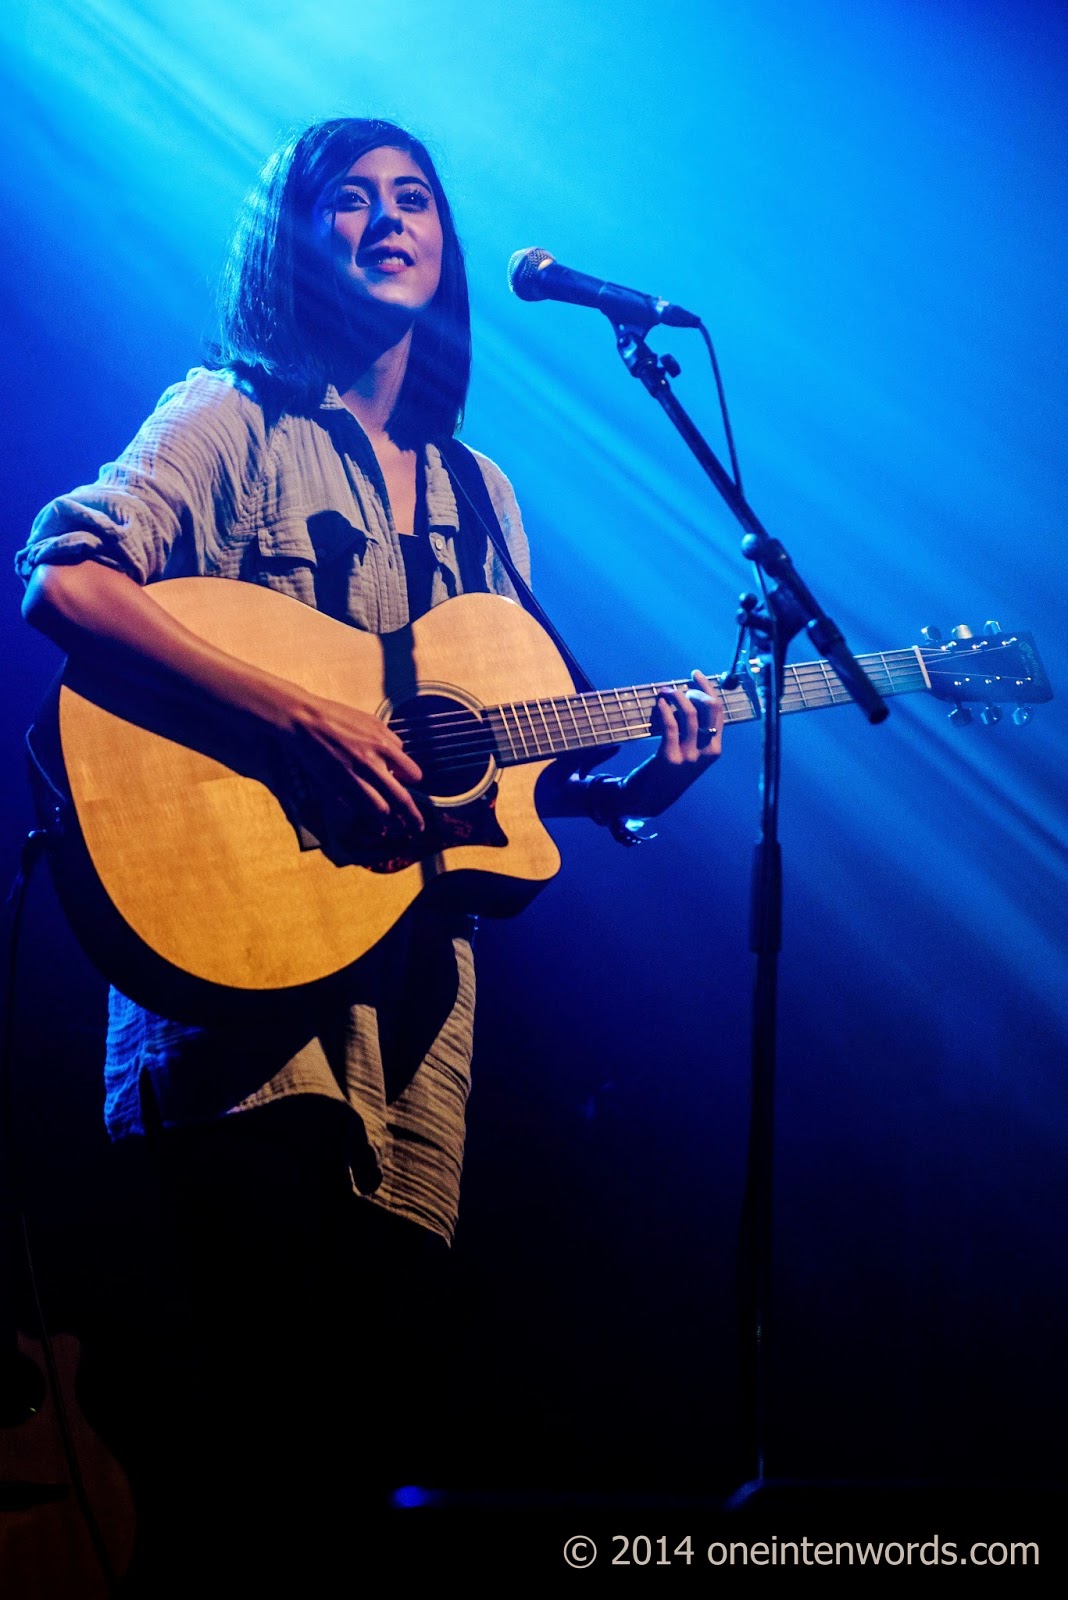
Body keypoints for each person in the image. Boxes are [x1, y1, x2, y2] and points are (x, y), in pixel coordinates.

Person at [17, 117, 724, 1591]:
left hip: (417, 1030)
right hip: (236, 982)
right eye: (352, 197)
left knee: (361, 1453)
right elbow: (63, 577)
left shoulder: (485, 498)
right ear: (297, 239)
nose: (391, 218)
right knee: (248, 1464)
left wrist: (640, 781)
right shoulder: (225, 416)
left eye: (416, 199)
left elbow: (493, 791)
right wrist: (295, 718)